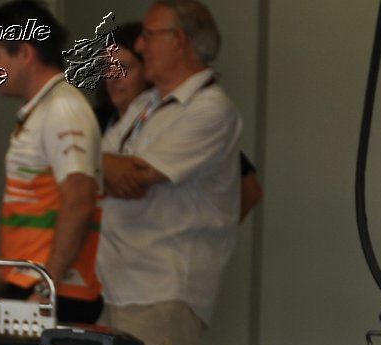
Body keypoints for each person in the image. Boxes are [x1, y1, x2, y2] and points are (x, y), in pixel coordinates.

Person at [97, 1, 241, 345]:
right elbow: (96, 170)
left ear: (179, 41)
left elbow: (137, 177)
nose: (141, 45)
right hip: (116, 285)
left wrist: (110, 169)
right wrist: (105, 169)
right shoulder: (145, 103)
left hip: (163, 289)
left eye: (148, 35)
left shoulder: (210, 108)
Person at [0, 2, 104, 324]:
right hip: (32, 281)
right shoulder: (44, 108)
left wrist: (48, 288)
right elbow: (30, 210)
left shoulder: (62, 109)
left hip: (55, 289)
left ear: (25, 53)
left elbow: (79, 201)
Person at [96, 21, 261, 225]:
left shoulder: (191, 115)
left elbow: (250, 189)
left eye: (125, 67)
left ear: (146, 70)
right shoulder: (96, 119)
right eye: (107, 66)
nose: (113, 77)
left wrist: (207, 235)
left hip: (164, 249)